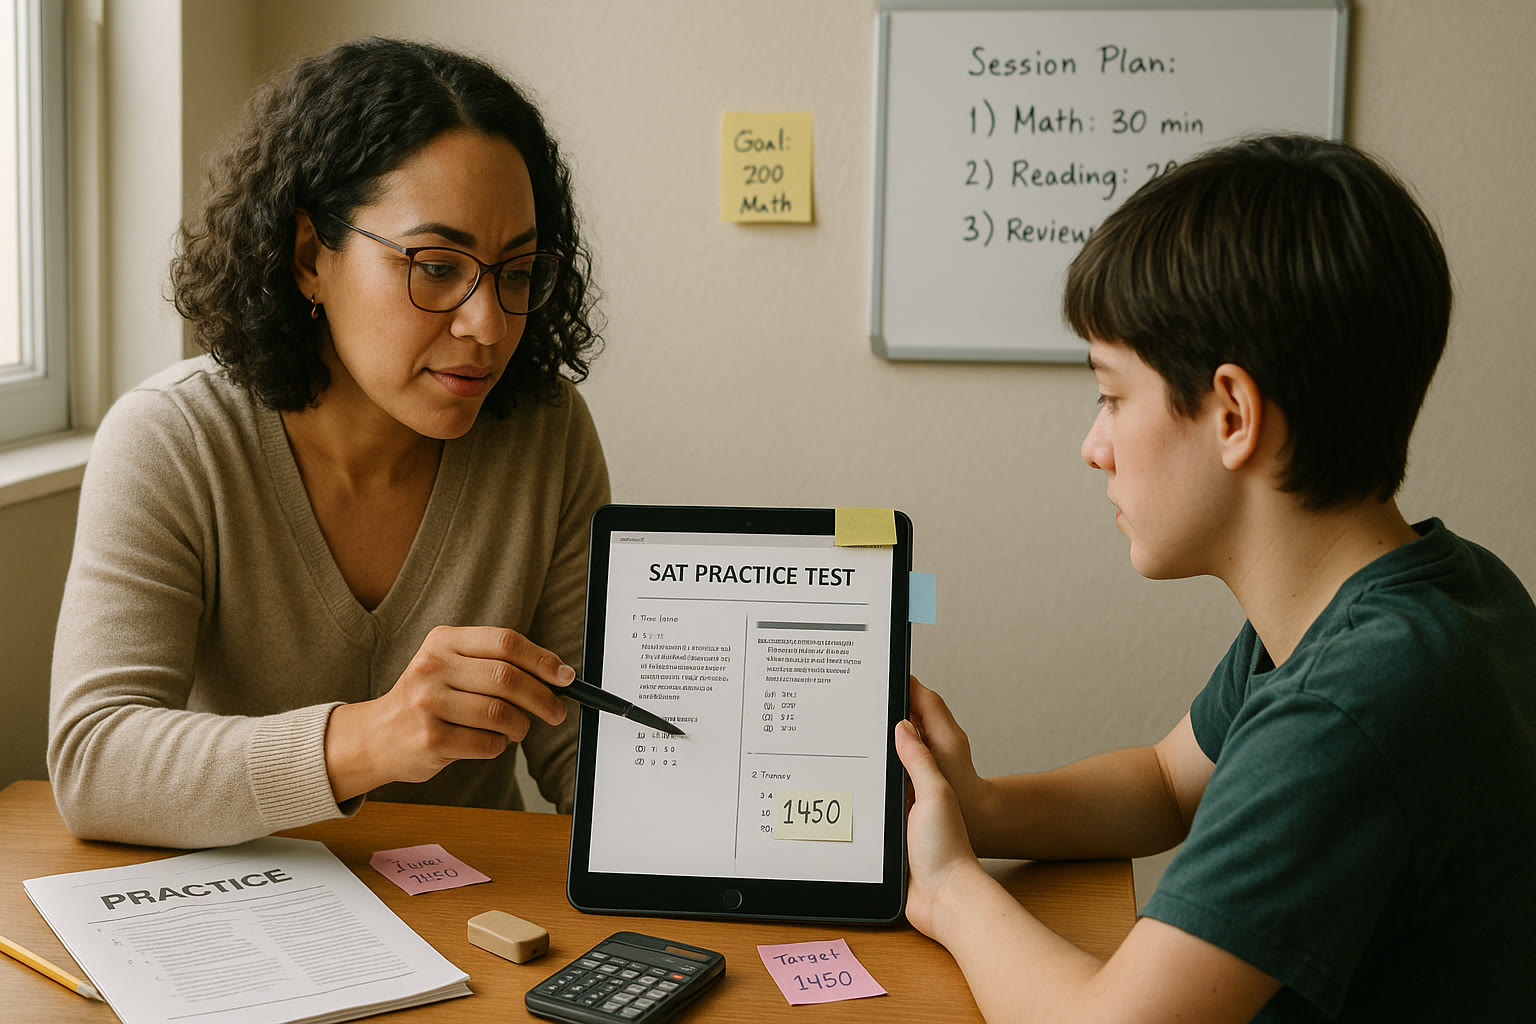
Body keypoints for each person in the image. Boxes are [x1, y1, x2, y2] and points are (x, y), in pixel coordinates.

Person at [894, 134, 1536, 1022]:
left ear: (1233, 413)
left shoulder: (1352, 705)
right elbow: (1164, 782)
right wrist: (982, 806)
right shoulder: (1433, 597)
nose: (1094, 447)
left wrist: (951, 891)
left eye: (1113, 397)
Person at [48, 38, 609, 848]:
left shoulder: (545, 434)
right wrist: (370, 738)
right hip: (241, 917)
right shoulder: (173, 440)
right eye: (437, 265)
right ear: (312, 256)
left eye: (516, 272)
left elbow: (586, 745)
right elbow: (95, 761)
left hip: (480, 913)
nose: (487, 325)